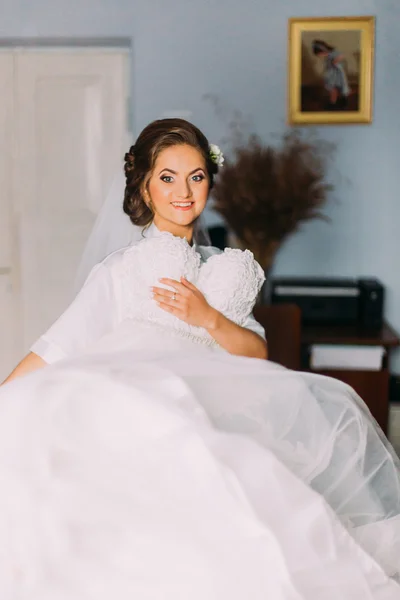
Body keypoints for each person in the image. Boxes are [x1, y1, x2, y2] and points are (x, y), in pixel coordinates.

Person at [0, 118, 399, 598]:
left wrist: (207, 317)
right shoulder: (122, 271)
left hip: (230, 419)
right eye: (167, 177)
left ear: (210, 181)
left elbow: (257, 353)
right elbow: (54, 348)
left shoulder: (226, 269)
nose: (184, 191)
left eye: (196, 176)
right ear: (145, 189)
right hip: (150, 426)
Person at [312, 39, 351, 110]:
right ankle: (337, 101)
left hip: (336, 74)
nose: (321, 56)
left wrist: (335, 61)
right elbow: (328, 65)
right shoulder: (328, 55)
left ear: (323, 50)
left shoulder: (333, 53)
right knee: (334, 89)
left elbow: (341, 56)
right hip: (331, 74)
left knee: (334, 89)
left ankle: (334, 103)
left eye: (320, 54)